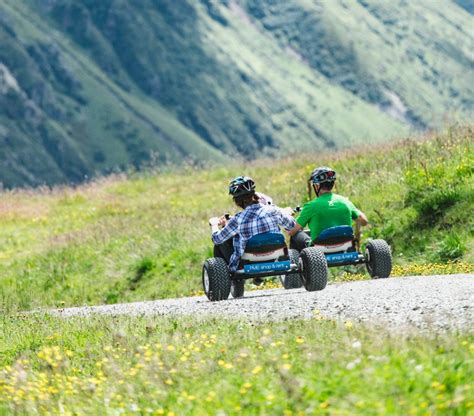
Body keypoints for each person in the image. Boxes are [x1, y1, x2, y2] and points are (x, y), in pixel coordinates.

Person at [209, 176, 296, 275]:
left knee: (221, 243)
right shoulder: (274, 210)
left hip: (246, 263)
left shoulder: (238, 219)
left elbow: (217, 239)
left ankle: (224, 277)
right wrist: (286, 213)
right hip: (277, 257)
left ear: (237, 201)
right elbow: (292, 225)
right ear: (254, 194)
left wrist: (214, 224)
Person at [288, 167, 368, 250]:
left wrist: (288, 216)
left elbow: (291, 231)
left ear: (317, 185)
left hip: (319, 250)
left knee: (296, 235)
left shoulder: (311, 206)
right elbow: (364, 221)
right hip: (346, 245)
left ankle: (299, 261)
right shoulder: (345, 202)